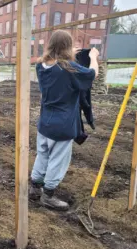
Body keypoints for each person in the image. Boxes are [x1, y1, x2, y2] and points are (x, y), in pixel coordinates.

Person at [29, 30, 99, 211]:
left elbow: (57, 64)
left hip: (45, 122)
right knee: (58, 160)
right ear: (67, 47)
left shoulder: (41, 66)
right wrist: (93, 57)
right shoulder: (69, 68)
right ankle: (48, 195)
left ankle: (34, 187)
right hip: (63, 124)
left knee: (42, 154)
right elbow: (92, 74)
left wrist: (69, 53)